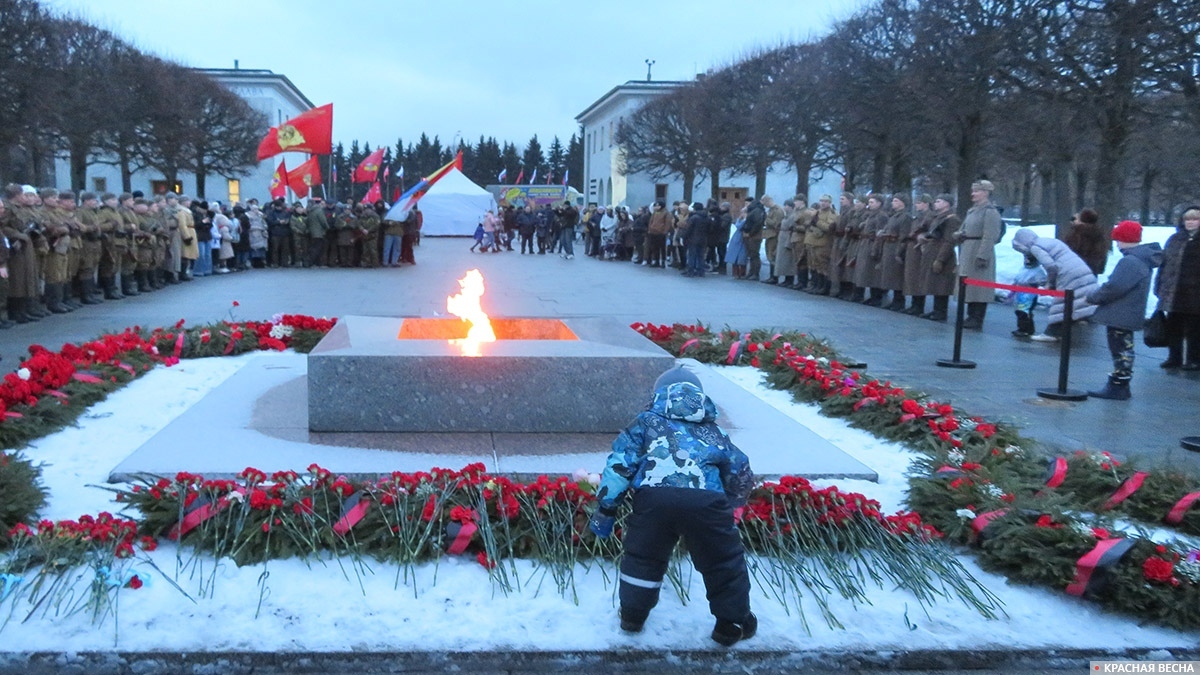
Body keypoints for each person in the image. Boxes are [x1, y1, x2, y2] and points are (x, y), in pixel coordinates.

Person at [588, 365, 756, 646]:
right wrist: (732, 503)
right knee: (722, 561)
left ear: (657, 395)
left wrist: (607, 507)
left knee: (644, 557)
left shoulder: (645, 424)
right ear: (699, 397)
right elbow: (740, 470)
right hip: (706, 501)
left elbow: (620, 465)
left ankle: (633, 615)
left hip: (655, 499)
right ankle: (732, 622)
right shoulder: (713, 432)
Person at [1084, 220, 1163, 399]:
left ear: (1124, 239)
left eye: (1118, 238)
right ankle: (1121, 384)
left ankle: (1119, 384)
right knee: (1123, 347)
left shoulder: (1131, 261)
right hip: (1129, 311)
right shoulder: (1142, 258)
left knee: (1120, 348)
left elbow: (1115, 287)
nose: (1116, 243)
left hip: (1121, 312)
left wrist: (1093, 297)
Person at [1010, 227, 1099, 342]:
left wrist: (1050, 283)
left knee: (1061, 303)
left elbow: (1051, 266)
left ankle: (1052, 332)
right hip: (1080, 269)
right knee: (1075, 300)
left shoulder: (1035, 248)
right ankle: (1076, 321)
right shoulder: (1048, 241)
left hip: (1067, 273)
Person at [955, 180, 1003, 329]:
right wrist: (959, 234)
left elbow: (990, 235)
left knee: (979, 287)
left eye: (976, 191)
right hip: (968, 249)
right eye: (973, 191)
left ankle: (977, 317)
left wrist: (982, 255)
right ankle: (970, 315)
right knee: (969, 286)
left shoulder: (990, 212)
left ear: (985, 193)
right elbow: (966, 228)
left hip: (979, 251)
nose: (973, 194)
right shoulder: (973, 211)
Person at [1156, 207, 1200, 370]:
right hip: (1174, 290)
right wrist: (1159, 285)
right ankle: (1174, 357)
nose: (1190, 222)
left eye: (1194, 219)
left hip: (1195, 293)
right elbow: (1164, 264)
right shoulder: (1175, 239)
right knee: (1173, 326)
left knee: (1195, 329)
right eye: (1187, 219)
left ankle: (1194, 359)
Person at [1010, 253, 1048, 339]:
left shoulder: (1038, 271)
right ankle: (1022, 328)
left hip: (1029, 294)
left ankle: (1026, 329)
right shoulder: (1024, 269)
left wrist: (1034, 283)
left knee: (1025, 311)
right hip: (1020, 292)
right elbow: (1018, 278)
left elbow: (1042, 281)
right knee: (1019, 311)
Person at [1063, 208, 1108, 276]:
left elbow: (1067, 253)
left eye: (1077, 219)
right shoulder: (1099, 234)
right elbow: (1102, 255)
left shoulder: (1075, 235)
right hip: (1092, 271)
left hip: (1074, 272)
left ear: (1082, 220)